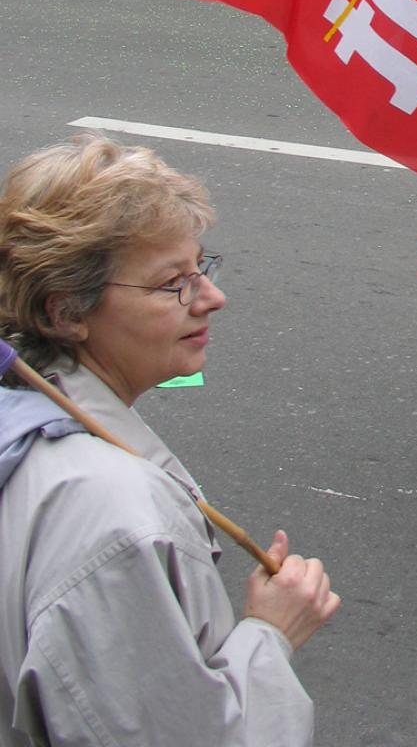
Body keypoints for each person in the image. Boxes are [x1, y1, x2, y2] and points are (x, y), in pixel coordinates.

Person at [0, 135, 339, 745]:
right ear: (65, 313)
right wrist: (270, 634)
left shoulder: (23, 420)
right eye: (170, 283)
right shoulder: (117, 519)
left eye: (201, 267)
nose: (212, 297)